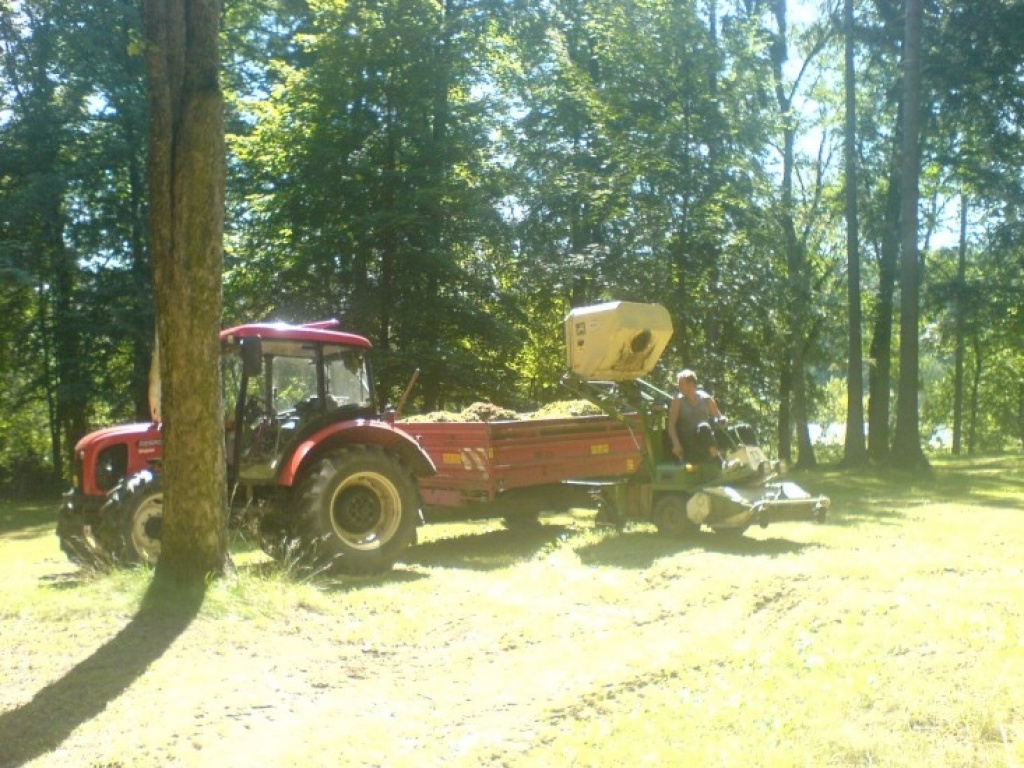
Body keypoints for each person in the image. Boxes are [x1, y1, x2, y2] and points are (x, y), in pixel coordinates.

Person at [667, 369, 726, 463]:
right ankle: (720, 462)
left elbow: (719, 417)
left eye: (681, 384)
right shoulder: (678, 401)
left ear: (691, 384)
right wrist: (676, 444)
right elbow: (671, 425)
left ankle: (749, 461)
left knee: (744, 429)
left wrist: (723, 420)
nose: (679, 387)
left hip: (706, 436)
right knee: (704, 427)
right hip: (690, 441)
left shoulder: (705, 398)